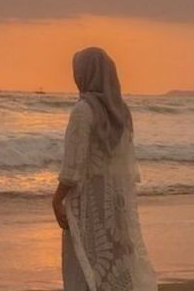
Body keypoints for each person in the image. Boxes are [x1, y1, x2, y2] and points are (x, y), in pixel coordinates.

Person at [53, 47, 157, 291]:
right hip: (114, 203)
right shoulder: (122, 112)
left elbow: (73, 166)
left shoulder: (82, 111)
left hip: (87, 202)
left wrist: (57, 200)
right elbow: (126, 165)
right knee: (116, 262)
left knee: (85, 262)